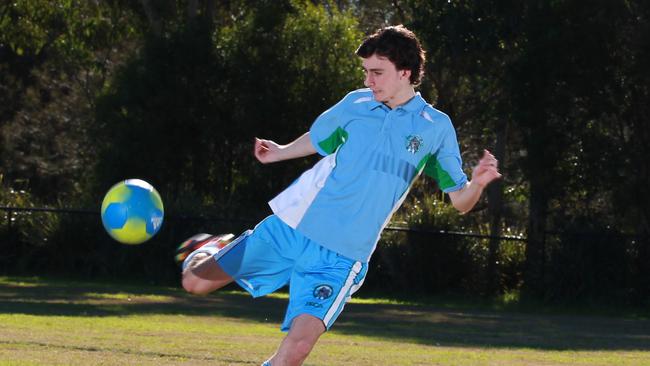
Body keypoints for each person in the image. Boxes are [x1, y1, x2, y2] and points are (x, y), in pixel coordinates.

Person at [177, 25, 501, 366]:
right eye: (366, 73)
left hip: (341, 259)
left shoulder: (435, 127)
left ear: (405, 73)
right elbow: (318, 139)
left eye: (377, 73)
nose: (368, 81)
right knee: (194, 283)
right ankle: (210, 247)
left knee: (297, 350)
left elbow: (460, 201)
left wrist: (477, 184)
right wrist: (279, 152)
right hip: (291, 229)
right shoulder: (356, 104)